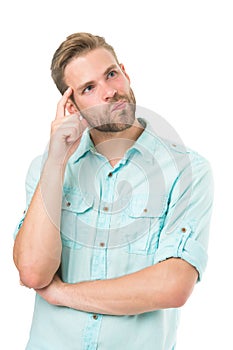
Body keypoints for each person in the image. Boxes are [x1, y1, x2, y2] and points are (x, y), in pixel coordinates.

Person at [13, 32, 213, 350]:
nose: (109, 93)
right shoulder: (45, 169)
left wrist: (62, 293)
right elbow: (35, 273)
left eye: (111, 74)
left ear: (125, 73)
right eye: (88, 88)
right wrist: (55, 162)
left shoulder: (187, 170)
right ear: (71, 105)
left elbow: (173, 286)